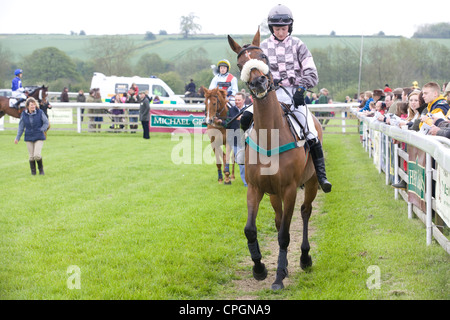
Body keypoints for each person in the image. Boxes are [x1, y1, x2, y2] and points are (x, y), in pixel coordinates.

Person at [260, 4, 331, 192]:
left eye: (284, 29)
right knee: (247, 121)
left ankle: (321, 175)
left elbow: (311, 72)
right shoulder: (263, 47)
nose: (281, 32)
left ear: (289, 28)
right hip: (270, 94)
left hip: (294, 94)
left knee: (311, 131)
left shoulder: (298, 45)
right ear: (271, 29)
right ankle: (248, 164)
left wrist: (302, 87)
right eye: (277, 29)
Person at [14, 97, 49, 175]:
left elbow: (46, 123)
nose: (33, 106)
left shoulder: (40, 112)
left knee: (37, 155)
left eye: (34, 105)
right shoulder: (24, 114)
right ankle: (33, 172)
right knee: (31, 157)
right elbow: (21, 127)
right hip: (29, 137)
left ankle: (41, 170)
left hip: (39, 136)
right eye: (31, 105)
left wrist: (42, 129)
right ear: (27, 106)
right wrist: (17, 138)